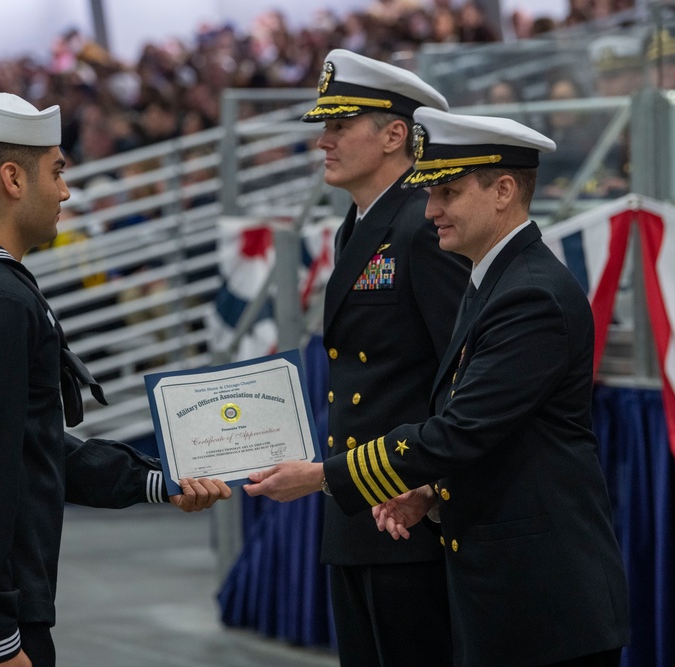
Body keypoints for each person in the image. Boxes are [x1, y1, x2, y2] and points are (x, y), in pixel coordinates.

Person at [246, 107, 631, 666]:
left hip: (543, 600)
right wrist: (429, 495)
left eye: (446, 192)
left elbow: (461, 431)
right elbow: (490, 433)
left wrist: (322, 478)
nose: (429, 211)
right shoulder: (494, 280)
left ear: (502, 190)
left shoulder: (530, 295)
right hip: (508, 589)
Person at [0, 92, 230, 667]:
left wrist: (154, 480)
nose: (65, 191)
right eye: (57, 171)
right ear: (13, 179)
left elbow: (21, 441)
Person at [266, 49, 469, 666]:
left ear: (394, 135)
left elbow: (459, 370)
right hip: (361, 509)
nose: (324, 142)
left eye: (338, 127)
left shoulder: (424, 226)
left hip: (405, 513)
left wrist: (431, 487)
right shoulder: (357, 226)